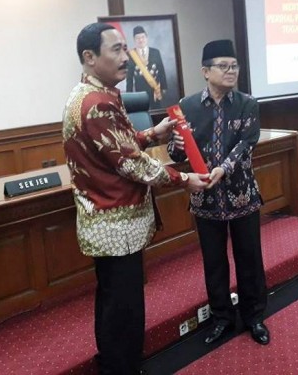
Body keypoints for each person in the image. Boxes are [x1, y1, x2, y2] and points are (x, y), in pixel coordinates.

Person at [62, 22, 208, 375]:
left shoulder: (88, 93)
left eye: (125, 48)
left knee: (112, 301)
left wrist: (152, 133)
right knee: (124, 309)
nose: (125, 57)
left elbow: (116, 145)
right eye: (116, 49)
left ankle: (112, 362)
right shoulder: (97, 102)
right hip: (117, 225)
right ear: (89, 56)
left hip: (103, 222)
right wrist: (183, 179)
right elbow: (131, 163)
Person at [167, 39, 270, 346]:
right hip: (205, 197)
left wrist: (223, 168)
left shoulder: (247, 103)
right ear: (205, 71)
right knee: (214, 262)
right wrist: (176, 144)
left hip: (241, 194)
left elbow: (246, 143)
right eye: (223, 66)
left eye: (234, 65)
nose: (231, 71)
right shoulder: (187, 106)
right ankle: (222, 317)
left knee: (249, 259)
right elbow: (175, 152)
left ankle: (254, 316)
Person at [126, 25, 167, 110]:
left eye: (143, 37)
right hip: (140, 92)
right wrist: (128, 94)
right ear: (134, 40)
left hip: (155, 90)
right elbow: (129, 77)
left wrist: (164, 87)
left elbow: (161, 71)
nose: (141, 40)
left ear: (146, 38)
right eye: (138, 38)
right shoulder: (131, 55)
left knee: (157, 113)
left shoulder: (155, 52)